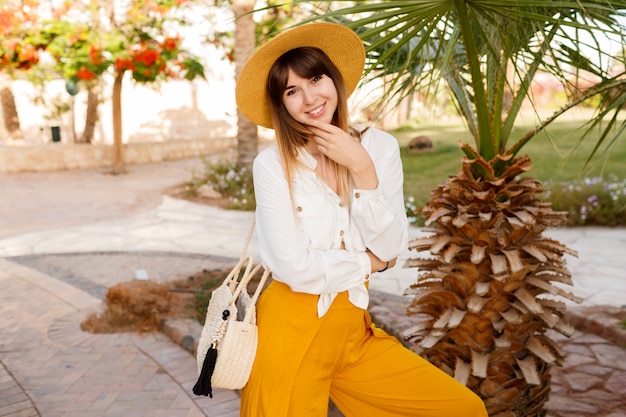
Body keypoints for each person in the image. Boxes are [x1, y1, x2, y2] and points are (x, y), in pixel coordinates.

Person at [235, 22, 488, 417]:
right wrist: (369, 263)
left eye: (315, 78)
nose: (309, 98)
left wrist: (362, 168)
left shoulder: (378, 147)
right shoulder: (272, 164)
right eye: (291, 90)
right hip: (288, 335)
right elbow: (293, 268)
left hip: (354, 334)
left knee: (460, 409)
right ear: (280, 103)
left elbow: (391, 247)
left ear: (334, 79)